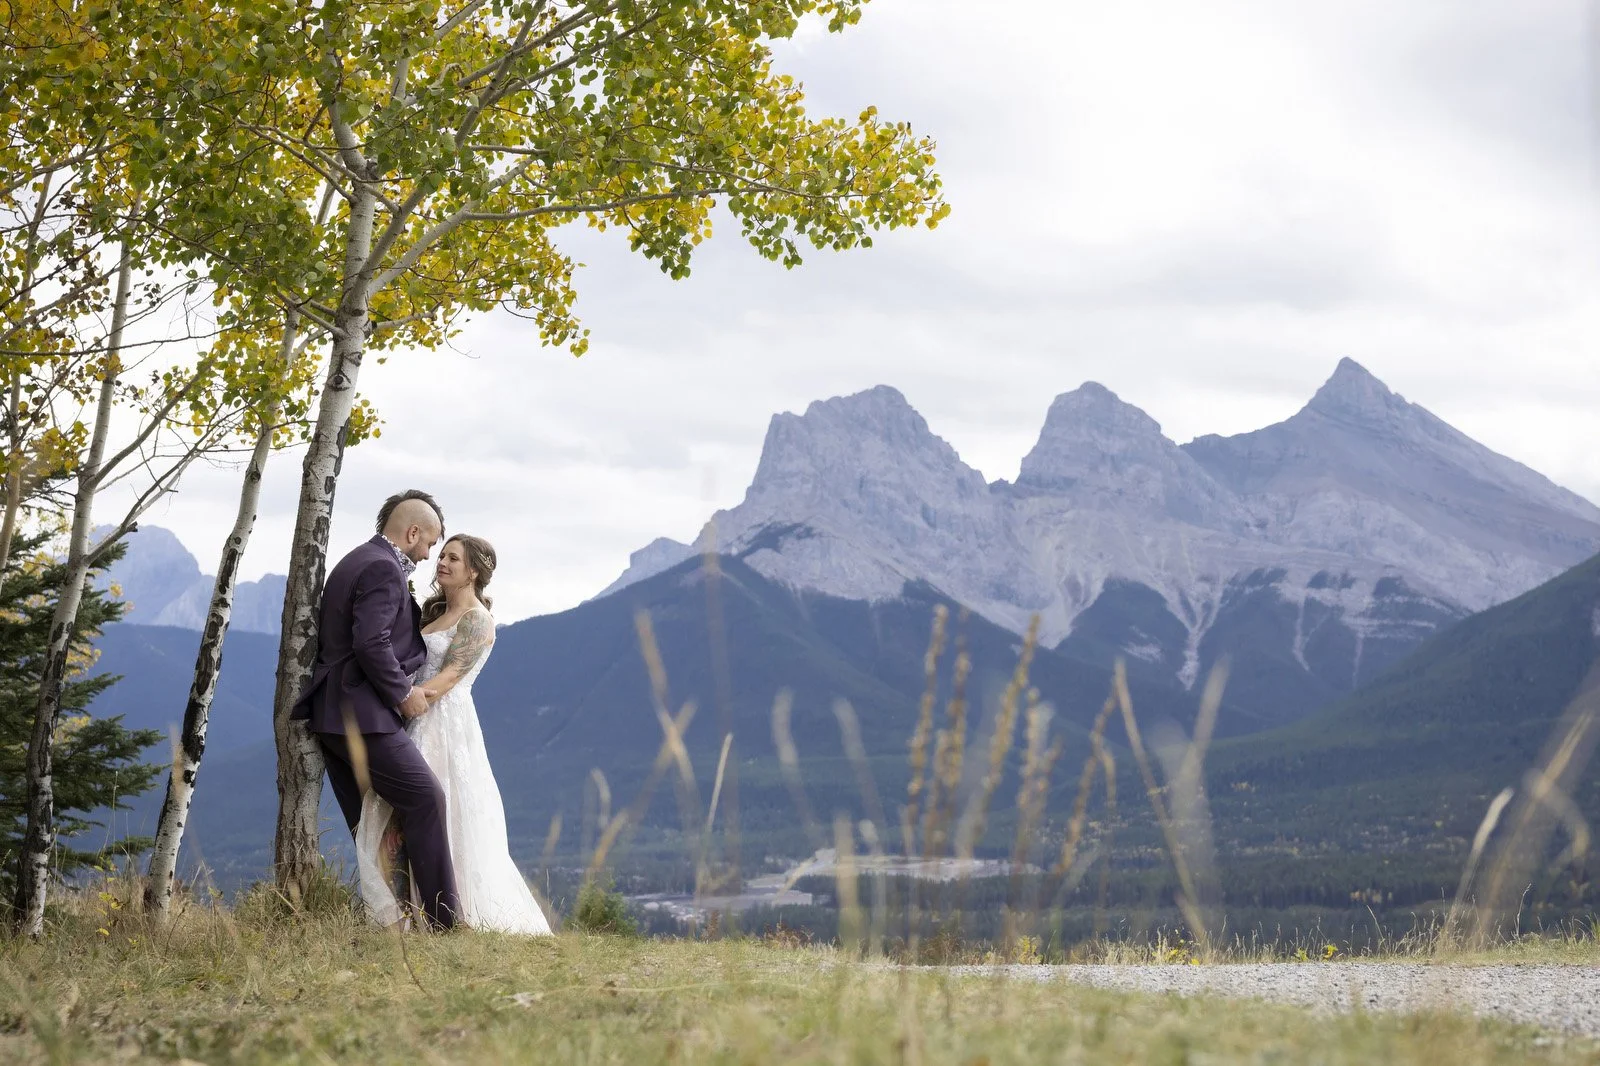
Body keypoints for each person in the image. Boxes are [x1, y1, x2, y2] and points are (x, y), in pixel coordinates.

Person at [354, 533, 552, 936]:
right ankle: (405, 914)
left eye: (453, 558)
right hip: (416, 716)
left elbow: (447, 679)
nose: (441, 562)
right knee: (397, 816)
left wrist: (400, 700)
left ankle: (448, 912)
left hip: (445, 722)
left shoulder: (477, 620)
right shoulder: (433, 614)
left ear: (473, 571)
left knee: (442, 813)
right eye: (441, 555)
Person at [290, 490, 459, 930]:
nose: (428, 555)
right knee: (426, 798)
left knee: (372, 825)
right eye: (429, 544)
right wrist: (403, 694)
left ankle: (391, 921)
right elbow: (371, 642)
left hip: (333, 714)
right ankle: (443, 922)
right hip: (361, 713)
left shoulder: (358, 559)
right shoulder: (383, 567)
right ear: (413, 532)